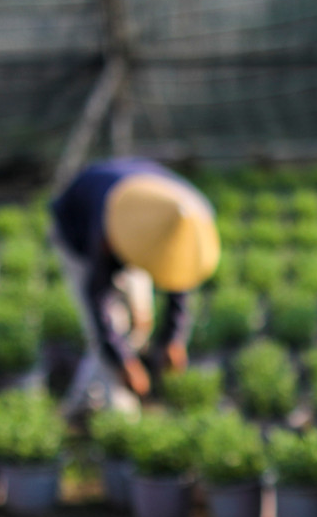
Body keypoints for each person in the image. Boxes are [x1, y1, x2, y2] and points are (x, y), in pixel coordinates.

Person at [49, 159, 220, 415]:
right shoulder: (108, 230)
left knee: (140, 321)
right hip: (79, 230)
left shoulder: (186, 218)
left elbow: (178, 274)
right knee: (110, 329)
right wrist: (123, 363)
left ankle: (97, 392)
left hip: (132, 223)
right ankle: (106, 408)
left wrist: (174, 337)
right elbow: (98, 299)